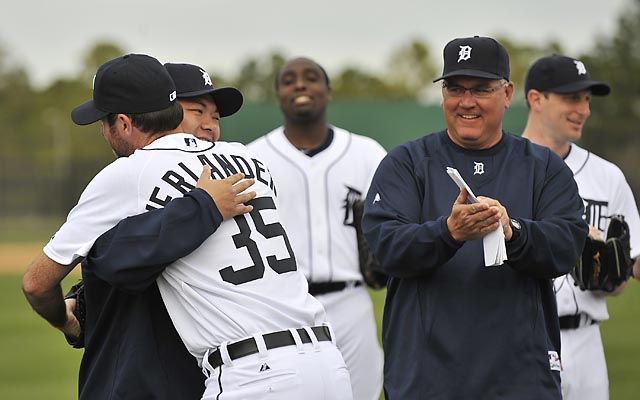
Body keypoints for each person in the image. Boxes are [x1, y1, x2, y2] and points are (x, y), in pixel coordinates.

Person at [22, 54, 352, 400]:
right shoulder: (250, 160)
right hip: (327, 361)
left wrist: (69, 323)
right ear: (174, 110)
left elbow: (37, 283)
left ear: (122, 122)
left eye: (103, 122)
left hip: (254, 374)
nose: (209, 123)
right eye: (199, 111)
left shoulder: (130, 173)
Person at [361, 36, 588, 399]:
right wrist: (448, 232)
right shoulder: (406, 162)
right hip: (427, 376)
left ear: (507, 92)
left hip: (520, 377)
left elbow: (566, 246)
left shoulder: (543, 167)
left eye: (481, 89)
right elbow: (386, 246)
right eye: (455, 88)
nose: (466, 102)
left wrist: (513, 231)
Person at [247, 57, 385, 400]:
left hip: (350, 299)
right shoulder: (252, 159)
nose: (300, 85)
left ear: (329, 91)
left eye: (311, 78)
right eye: (289, 80)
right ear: (278, 95)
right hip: (280, 308)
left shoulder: (367, 153)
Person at [521, 54, 640, 400]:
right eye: (572, 98)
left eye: (587, 100)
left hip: (587, 343)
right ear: (536, 99)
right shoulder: (503, 169)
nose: (584, 109)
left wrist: (614, 274)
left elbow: (630, 262)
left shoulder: (607, 175)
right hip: (523, 337)